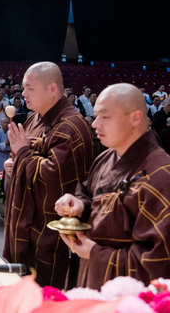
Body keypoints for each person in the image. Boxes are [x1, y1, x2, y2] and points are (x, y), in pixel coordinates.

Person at [55, 83, 170, 289]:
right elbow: (88, 192)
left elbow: (159, 260)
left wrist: (94, 253)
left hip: (129, 298)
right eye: (96, 116)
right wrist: (80, 204)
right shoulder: (106, 157)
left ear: (135, 118)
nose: (95, 124)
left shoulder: (160, 175)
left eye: (105, 117)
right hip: (91, 278)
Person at [3, 62, 96, 288]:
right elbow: (24, 156)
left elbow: (53, 180)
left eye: (29, 88)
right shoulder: (36, 117)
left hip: (47, 235)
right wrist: (15, 163)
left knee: (43, 297)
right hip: (24, 227)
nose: (22, 94)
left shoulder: (71, 126)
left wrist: (23, 154)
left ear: (52, 89)